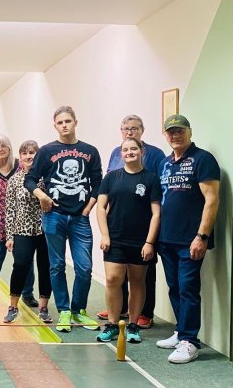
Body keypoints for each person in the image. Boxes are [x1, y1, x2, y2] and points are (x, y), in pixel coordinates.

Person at [24, 106, 102, 332]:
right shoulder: (47, 151)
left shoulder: (90, 151)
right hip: (54, 216)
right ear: (55, 125)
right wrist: (42, 197)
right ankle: (65, 311)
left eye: (68, 121)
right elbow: (30, 179)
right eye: (60, 122)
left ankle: (79, 310)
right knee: (56, 266)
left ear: (75, 122)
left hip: (79, 218)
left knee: (84, 267)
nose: (64, 125)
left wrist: (88, 207)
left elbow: (98, 182)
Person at [154, 115, 220, 364]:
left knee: (188, 289)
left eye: (179, 131)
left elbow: (212, 199)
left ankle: (190, 341)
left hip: (190, 240)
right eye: (170, 132)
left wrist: (201, 236)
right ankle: (181, 332)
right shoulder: (165, 162)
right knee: (175, 288)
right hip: (167, 239)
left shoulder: (203, 159)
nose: (175, 135)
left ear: (189, 132)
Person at [97, 115, 166, 328]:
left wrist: (149, 241)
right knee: (114, 278)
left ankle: (143, 315)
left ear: (142, 131)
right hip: (117, 231)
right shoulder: (114, 159)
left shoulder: (155, 155)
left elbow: (157, 205)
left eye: (134, 128)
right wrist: (105, 233)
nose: (129, 132)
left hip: (142, 232)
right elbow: (103, 202)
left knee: (142, 278)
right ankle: (118, 313)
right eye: (125, 128)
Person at [0, 135, 36, 309]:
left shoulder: (20, 166)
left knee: (24, 261)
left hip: (20, 223)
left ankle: (27, 293)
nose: (0, 149)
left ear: (10, 148)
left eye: (4, 146)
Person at [3, 140, 53, 324]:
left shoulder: (45, 178)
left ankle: (43, 308)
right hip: (21, 231)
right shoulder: (14, 180)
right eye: (25, 153)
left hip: (44, 231)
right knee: (21, 265)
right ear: (20, 156)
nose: (29, 156)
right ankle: (13, 306)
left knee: (45, 267)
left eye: (32, 152)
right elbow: (9, 209)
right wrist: (9, 236)